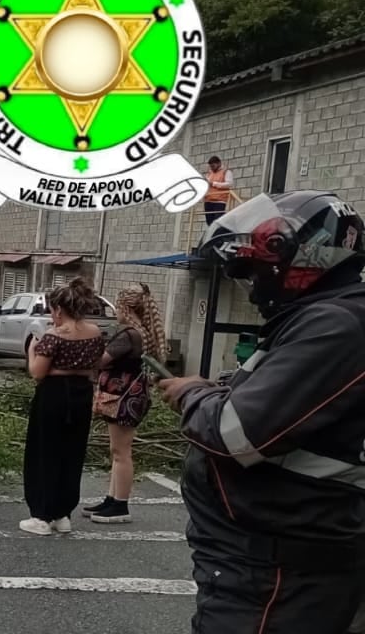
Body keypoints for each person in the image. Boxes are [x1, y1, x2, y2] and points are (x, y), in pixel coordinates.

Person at [158, 191, 365, 633]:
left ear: (295, 255)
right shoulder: (324, 318)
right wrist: (221, 389)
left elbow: (238, 435)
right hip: (269, 569)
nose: (252, 286)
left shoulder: (336, 326)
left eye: (253, 271)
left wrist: (193, 394)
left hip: (279, 580)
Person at [20, 277, 105, 536]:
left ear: (58, 308)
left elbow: (37, 372)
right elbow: (96, 364)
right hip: (81, 394)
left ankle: (42, 515)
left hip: (53, 395)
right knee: (72, 452)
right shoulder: (95, 332)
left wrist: (32, 350)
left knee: (45, 452)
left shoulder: (53, 336)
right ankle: (62, 513)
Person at [84, 284, 166, 525]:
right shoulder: (142, 333)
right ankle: (112, 498)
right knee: (118, 450)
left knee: (121, 452)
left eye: (118, 306)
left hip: (122, 398)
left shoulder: (128, 334)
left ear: (126, 308)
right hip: (132, 396)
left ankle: (120, 505)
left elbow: (101, 361)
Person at [202, 155, 234, 225]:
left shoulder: (226, 172)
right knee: (209, 222)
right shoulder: (210, 173)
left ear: (219, 163)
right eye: (210, 167)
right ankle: (212, 235)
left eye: (213, 166)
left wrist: (214, 183)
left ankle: (218, 235)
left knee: (217, 222)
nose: (212, 168)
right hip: (208, 200)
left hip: (219, 201)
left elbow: (229, 184)